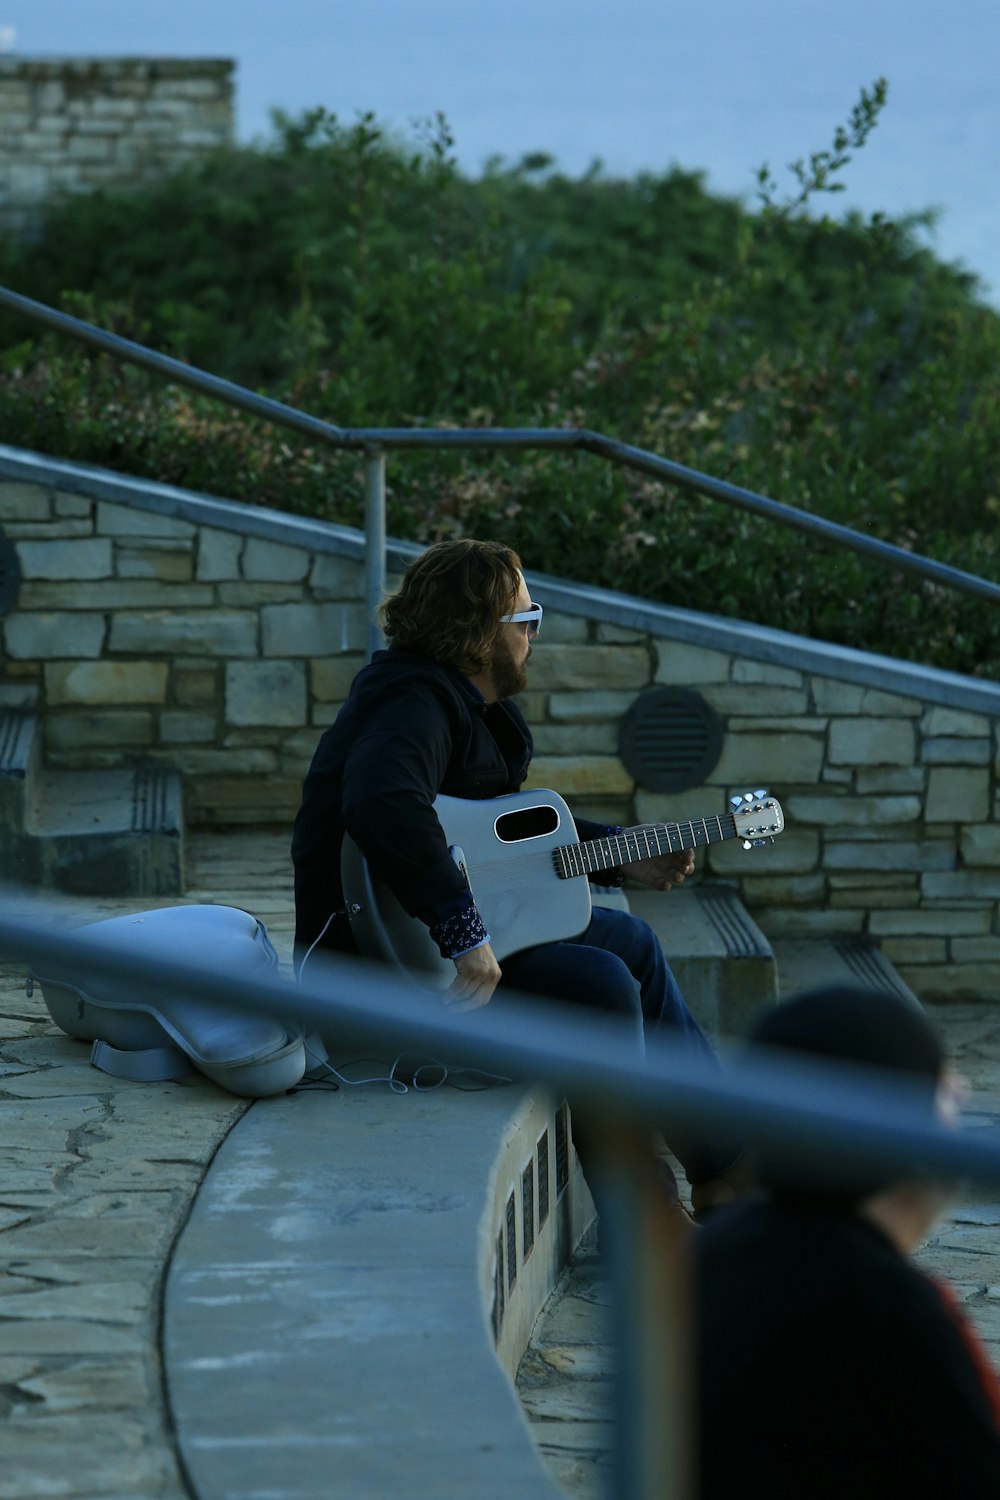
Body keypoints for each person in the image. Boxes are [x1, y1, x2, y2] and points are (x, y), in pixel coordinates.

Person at [291, 537, 744, 1217]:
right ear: (477, 633)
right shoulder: (412, 701)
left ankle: (725, 1173)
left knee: (633, 946)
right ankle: (644, 1221)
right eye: (525, 621)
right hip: (383, 973)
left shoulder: (462, 708)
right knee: (600, 986)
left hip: (434, 948)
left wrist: (621, 853)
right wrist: (462, 932)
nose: (534, 636)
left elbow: (496, 836)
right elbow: (382, 800)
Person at [695, 984, 1000, 1499]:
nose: (964, 1094)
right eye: (942, 1090)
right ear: (892, 1131)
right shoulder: (898, 1311)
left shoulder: (714, 1252)